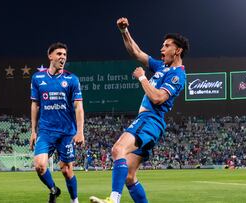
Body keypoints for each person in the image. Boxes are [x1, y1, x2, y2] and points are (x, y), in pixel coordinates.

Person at [89, 17, 189, 203]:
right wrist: (124, 31)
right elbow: (136, 52)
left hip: (151, 119)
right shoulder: (161, 67)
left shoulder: (178, 75)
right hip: (149, 123)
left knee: (118, 149)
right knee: (129, 177)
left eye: (166, 46)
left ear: (178, 50)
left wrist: (143, 78)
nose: (162, 49)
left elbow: (158, 97)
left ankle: (114, 200)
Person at [29, 42, 85, 203]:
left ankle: (75, 201)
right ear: (50, 56)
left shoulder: (72, 79)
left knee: (67, 170)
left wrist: (80, 131)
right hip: (46, 131)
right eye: (59, 54)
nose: (63, 58)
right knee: (39, 165)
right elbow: (35, 104)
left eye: (65, 55)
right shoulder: (37, 78)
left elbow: (78, 106)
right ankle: (54, 189)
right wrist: (33, 131)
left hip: (67, 132)